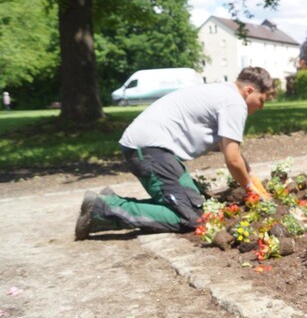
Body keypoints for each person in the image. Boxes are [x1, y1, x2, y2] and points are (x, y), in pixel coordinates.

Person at [75, 66, 273, 240]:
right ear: (249, 90)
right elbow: (232, 159)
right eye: (262, 100)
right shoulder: (235, 103)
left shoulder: (223, 92)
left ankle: (116, 202)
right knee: (192, 217)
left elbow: (232, 151)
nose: (261, 107)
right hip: (150, 150)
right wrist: (249, 188)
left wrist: (253, 179)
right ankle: (102, 209)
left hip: (150, 147)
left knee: (196, 203)